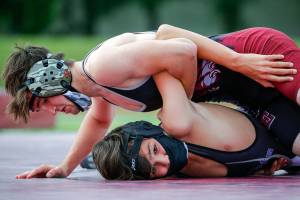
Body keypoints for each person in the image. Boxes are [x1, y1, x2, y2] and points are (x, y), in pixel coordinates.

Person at [3, 25, 296, 179]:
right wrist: (65, 167)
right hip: (242, 93)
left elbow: (182, 49)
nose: (53, 110)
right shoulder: (98, 87)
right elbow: (100, 120)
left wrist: (236, 62)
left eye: (41, 103)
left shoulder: (103, 66)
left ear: (49, 79)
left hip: (248, 57)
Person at [92, 72, 300, 179]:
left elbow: (161, 58)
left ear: (146, 130)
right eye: (154, 170)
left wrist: (96, 78)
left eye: (154, 149)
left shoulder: (177, 121)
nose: (164, 161)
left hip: (267, 94)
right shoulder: (178, 171)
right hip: (284, 151)